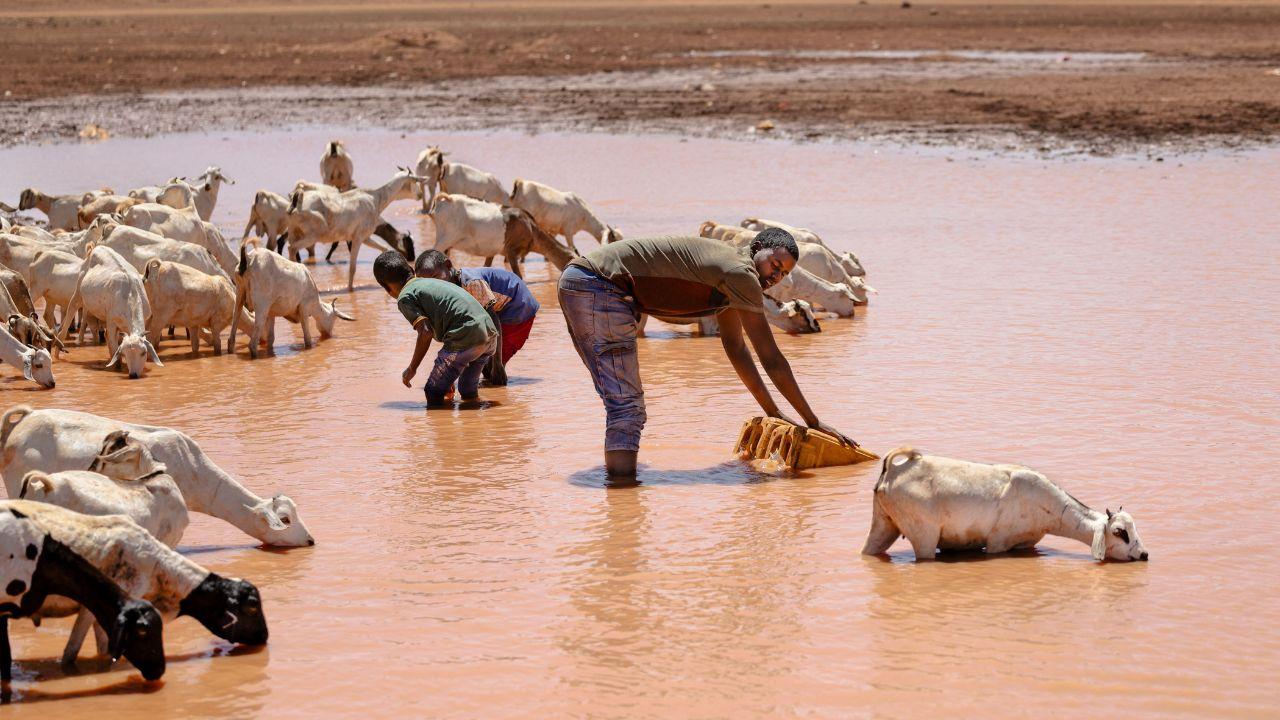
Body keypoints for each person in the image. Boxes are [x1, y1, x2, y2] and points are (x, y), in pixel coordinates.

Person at [558, 229, 857, 479]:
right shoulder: (741, 274)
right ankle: (623, 504)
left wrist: (774, 412)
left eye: (783, 273)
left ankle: (619, 494)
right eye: (775, 264)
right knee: (626, 407)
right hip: (598, 286)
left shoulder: (728, 275)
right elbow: (771, 358)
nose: (776, 275)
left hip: (579, 281)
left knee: (620, 403)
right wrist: (813, 422)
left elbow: (736, 348)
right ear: (757, 248)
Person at [372, 251, 497, 406]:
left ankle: (443, 429)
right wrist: (446, 372)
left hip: (467, 337)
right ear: (411, 271)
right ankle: (474, 425)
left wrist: (412, 368)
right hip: (489, 334)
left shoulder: (405, 297)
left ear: (387, 288)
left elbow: (425, 332)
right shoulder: (433, 283)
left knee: (433, 391)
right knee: (466, 391)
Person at [412, 250, 540, 368]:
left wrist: (498, 364)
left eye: (434, 277)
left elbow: (493, 321)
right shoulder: (443, 292)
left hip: (518, 306)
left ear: (448, 265)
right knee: (480, 361)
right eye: (425, 283)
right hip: (500, 308)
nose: (431, 285)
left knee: (492, 367)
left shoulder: (471, 284)